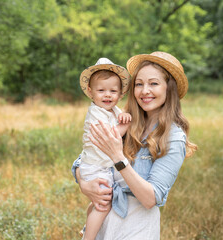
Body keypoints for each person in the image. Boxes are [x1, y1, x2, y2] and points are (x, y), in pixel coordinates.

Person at [72, 51, 197, 240]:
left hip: (135, 227)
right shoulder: (125, 121)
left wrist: (118, 157)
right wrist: (84, 184)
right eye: (139, 84)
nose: (145, 91)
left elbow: (150, 198)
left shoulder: (172, 137)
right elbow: (83, 159)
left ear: (168, 89)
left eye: (153, 83)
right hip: (103, 223)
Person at [78, 57, 132, 240]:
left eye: (113, 91)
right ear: (91, 93)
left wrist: (123, 116)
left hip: (100, 165)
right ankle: (89, 237)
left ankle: (88, 227)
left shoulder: (113, 110)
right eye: (101, 91)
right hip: (94, 166)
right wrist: (127, 125)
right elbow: (110, 136)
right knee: (104, 204)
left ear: (120, 94)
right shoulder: (95, 112)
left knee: (98, 202)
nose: (107, 95)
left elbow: (119, 116)